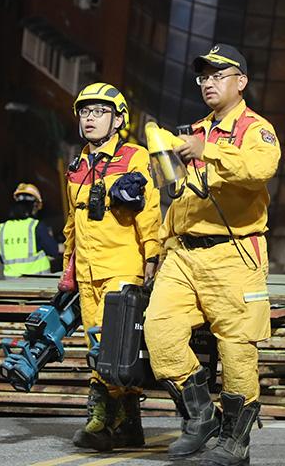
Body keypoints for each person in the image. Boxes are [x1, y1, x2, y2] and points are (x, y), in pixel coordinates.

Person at [143, 44, 280, 466]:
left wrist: (209, 152)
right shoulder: (195, 131)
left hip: (234, 255)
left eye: (218, 75)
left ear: (241, 82)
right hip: (184, 255)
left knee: (238, 351)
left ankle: (236, 442)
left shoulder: (255, 129)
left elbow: (262, 170)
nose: (208, 82)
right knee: (160, 334)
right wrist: (162, 246)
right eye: (203, 76)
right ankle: (202, 416)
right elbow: (181, 198)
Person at [64, 82, 161, 451]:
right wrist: (68, 266)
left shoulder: (133, 157)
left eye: (99, 112)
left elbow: (148, 208)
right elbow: (72, 222)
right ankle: (123, 424)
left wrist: (152, 255)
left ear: (119, 118)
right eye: (85, 112)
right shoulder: (76, 165)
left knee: (118, 347)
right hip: (88, 271)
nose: (90, 118)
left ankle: (106, 420)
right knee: (97, 346)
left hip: (121, 267)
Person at [0, 183, 60, 278]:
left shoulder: (2, 230)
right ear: (34, 206)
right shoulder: (35, 226)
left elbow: (2, 259)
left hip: (12, 286)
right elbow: (54, 251)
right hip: (38, 284)